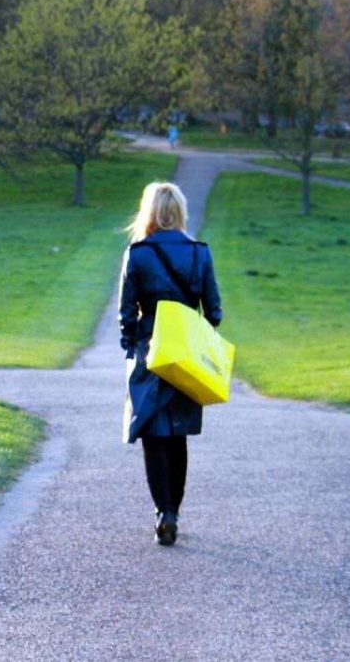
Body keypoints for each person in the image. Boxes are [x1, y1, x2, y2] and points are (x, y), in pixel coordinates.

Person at [118, 181, 222, 547]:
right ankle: (173, 511)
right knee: (177, 435)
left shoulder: (138, 253)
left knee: (152, 433)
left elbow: (126, 315)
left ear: (148, 212)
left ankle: (163, 511)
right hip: (186, 353)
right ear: (179, 212)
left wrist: (132, 347)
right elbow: (215, 312)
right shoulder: (199, 253)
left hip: (150, 351)